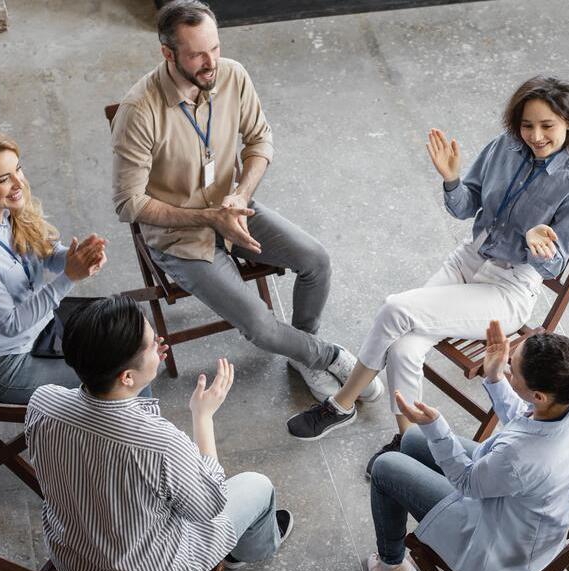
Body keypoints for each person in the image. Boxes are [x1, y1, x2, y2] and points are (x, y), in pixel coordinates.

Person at [286, 75, 569, 470]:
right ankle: (406, 443)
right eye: (527, 124)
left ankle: (341, 403)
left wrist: (537, 245)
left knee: (395, 308)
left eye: (547, 126)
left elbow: (555, 265)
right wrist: (451, 179)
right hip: (469, 258)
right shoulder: (504, 147)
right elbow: (464, 208)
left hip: (510, 287)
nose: (535, 136)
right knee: (403, 348)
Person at [110, 0, 380, 404]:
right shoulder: (138, 112)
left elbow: (260, 140)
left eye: (215, 48)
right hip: (179, 237)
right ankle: (327, 356)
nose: (211, 62)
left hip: (235, 210)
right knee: (262, 327)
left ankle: (301, 353)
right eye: (198, 54)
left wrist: (240, 195)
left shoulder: (232, 75)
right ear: (167, 53)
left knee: (316, 261)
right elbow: (128, 204)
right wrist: (209, 217)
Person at [25, 295, 293, 571]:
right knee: (257, 486)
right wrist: (202, 416)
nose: (161, 345)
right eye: (154, 344)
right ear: (126, 376)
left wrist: (144, 366)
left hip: (74, 564)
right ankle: (246, 551)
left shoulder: (42, 402)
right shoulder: (160, 444)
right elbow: (209, 506)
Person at [363, 320, 569, 571]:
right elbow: (526, 420)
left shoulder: (519, 456)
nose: (508, 367)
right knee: (414, 438)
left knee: (385, 467)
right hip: (527, 514)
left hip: (498, 548)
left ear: (539, 395)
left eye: (512, 369)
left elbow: (467, 483)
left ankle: (392, 565)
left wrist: (436, 428)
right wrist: (495, 376)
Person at [0, 129, 109, 404]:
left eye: (18, 169)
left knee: (129, 336)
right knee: (120, 373)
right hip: (7, 363)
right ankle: (143, 443)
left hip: (45, 329)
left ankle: (138, 440)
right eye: (4, 179)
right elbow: (10, 323)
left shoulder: (7, 211)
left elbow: (48, 254)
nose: (19, 183)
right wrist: (68, 277)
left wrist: (77, 257)